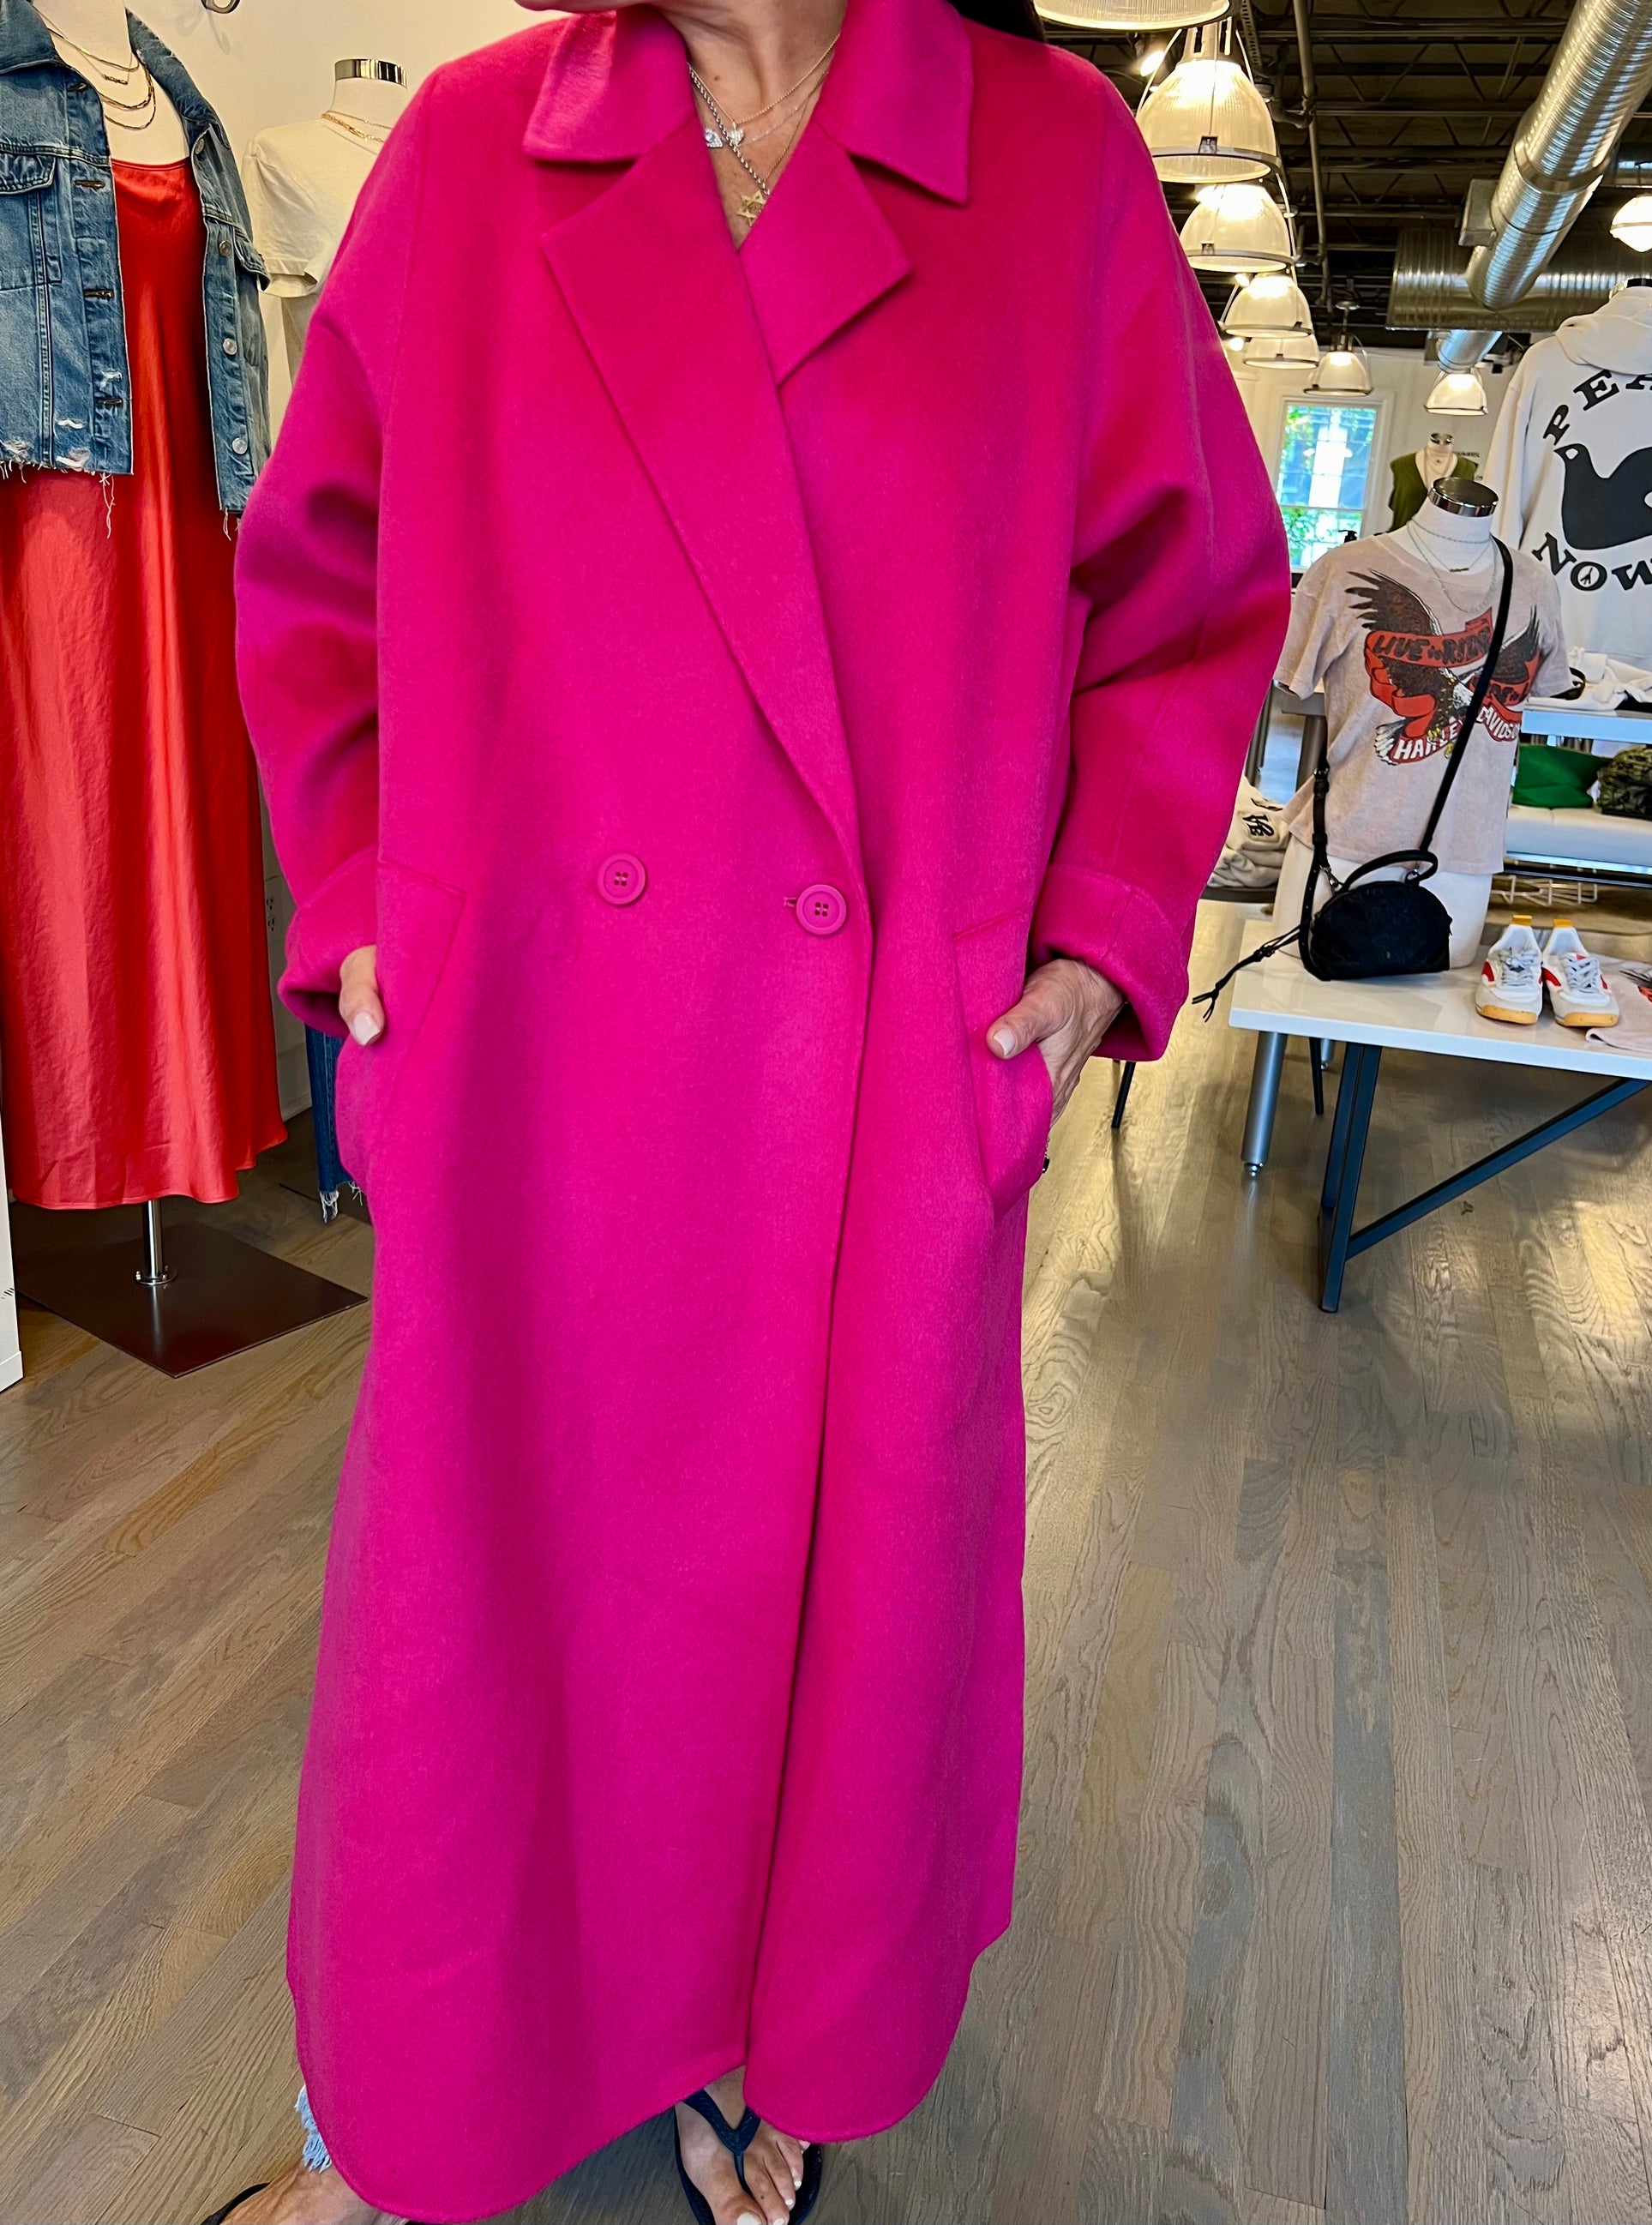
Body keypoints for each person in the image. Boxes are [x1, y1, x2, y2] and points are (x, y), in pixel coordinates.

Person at [219, 0, 1289, 2215]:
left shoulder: (1052, 164)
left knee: (821, 1641)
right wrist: (355, 906)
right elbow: (314, 576)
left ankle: (754, 2038)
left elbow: (1187, 601)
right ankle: (394, 2113)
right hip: (538, 1083)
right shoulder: (470, 157)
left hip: (874, 1100)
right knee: (483, 1644)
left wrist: (1095, 926)